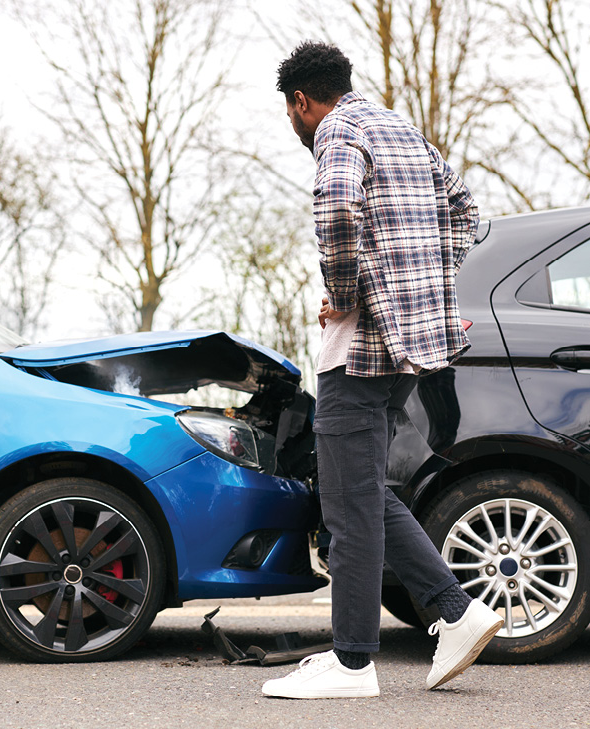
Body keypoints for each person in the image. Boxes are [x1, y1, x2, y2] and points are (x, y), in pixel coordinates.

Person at [262, 41, 502, 700]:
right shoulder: (398, 128)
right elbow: (465, 209)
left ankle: (351, 661)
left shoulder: (336, 130)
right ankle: (456, 612)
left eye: (291, 112)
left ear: (301, 102)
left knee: (346, 506)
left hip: (360, 350)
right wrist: (426, 289)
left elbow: (337, 209)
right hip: (409, 346)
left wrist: (343, 292)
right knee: (362, 492)